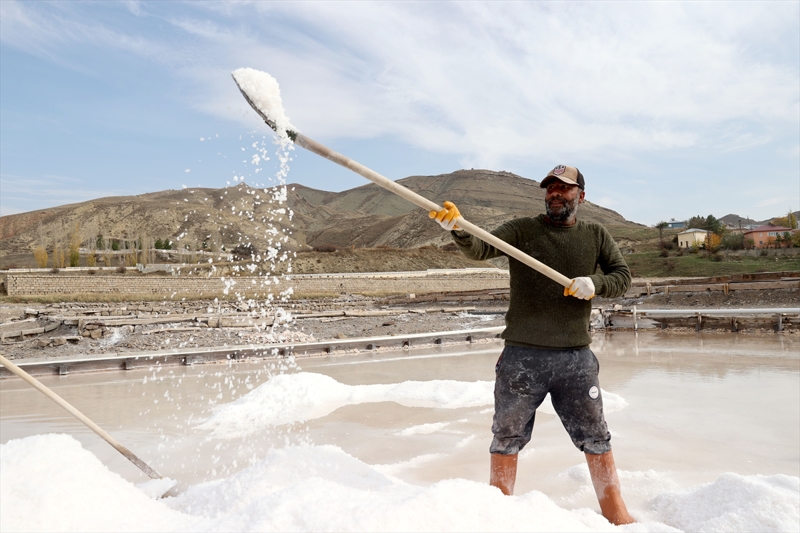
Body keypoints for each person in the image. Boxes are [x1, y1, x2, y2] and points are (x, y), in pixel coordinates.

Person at [429, 164, 634, 525]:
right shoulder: (522, 230)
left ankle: (616, 512)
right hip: (522, 357)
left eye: (565, 188)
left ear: (580, 196)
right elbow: (480, 248)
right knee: (506, 434)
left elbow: (622, 276)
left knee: (596, 435)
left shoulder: (596, 234)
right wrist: (458, 230)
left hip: (575, 357)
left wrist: (594, 284)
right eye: (551, 188)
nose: (556, 193)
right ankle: (499, 511)